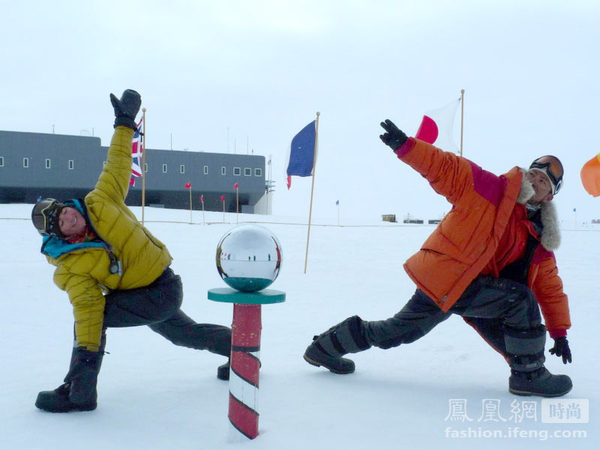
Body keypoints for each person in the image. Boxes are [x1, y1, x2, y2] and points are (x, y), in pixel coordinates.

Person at [304, 119, 573, 398]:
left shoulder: (539, 236)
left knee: (402, 331)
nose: (536, 182)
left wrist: (559, 332)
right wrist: (407, 146)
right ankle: (528, 376)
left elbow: (550, 288)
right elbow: (446, 167)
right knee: (517, 301)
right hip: (447, 276)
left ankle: (325, 348)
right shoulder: (491, 188)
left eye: (545, 182)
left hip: (471, 287)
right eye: (535, 174)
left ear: (549, 196)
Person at [31, 90, 232, 413]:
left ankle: (80, 393)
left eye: (64, 209)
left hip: (163, 286)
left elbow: (118, 162)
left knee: (101, 320)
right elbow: (86, 305)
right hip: (139, 296)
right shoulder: (70, 266)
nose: (69, 216)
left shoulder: (101, 200)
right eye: (61, 222)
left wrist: (124, 123)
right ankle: (242, 351)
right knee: (183, 335)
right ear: (60, 235)